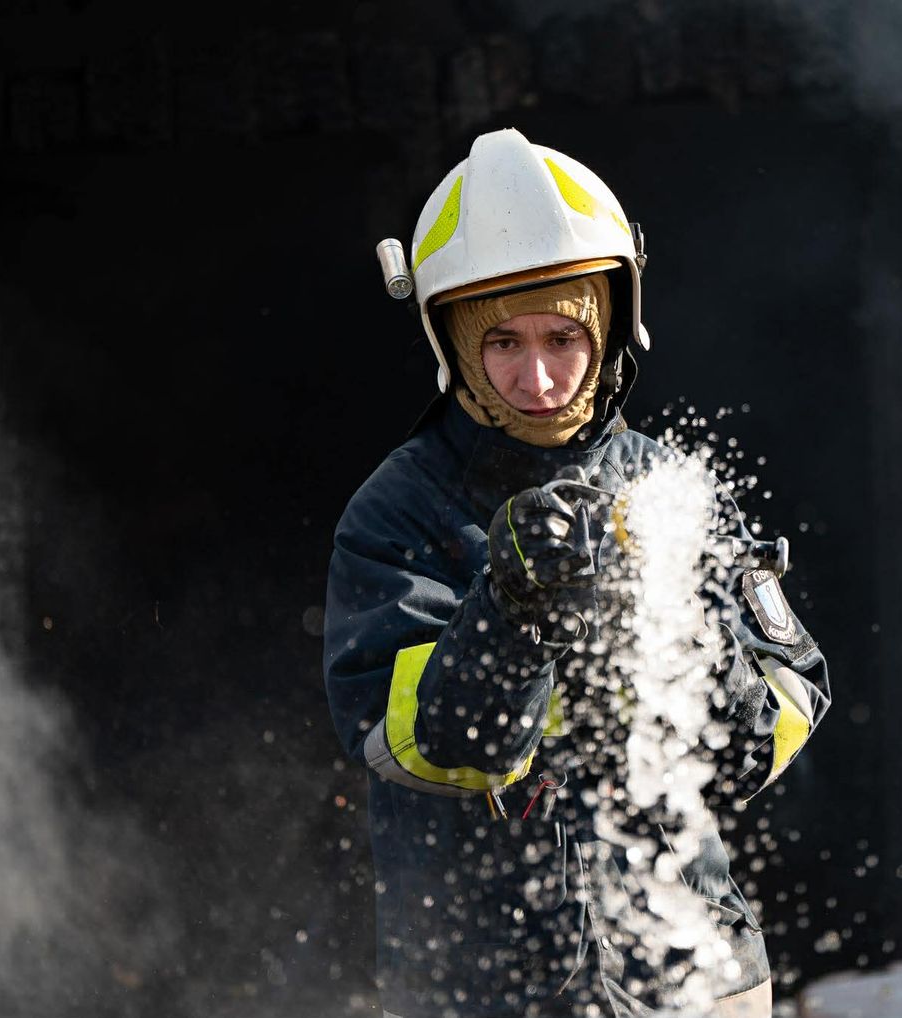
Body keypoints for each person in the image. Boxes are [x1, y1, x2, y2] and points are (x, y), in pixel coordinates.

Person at [323, 129, 830, 1018]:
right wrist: (515, 611)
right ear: (454, 343)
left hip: (694, 981)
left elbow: (758, 746)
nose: (540, 378)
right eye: (502, 343)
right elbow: (435, 749)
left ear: (612, 324)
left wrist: (680, 630)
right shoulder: (399, 514)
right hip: (486, 991)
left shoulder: (671, 489)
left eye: (564, 337)